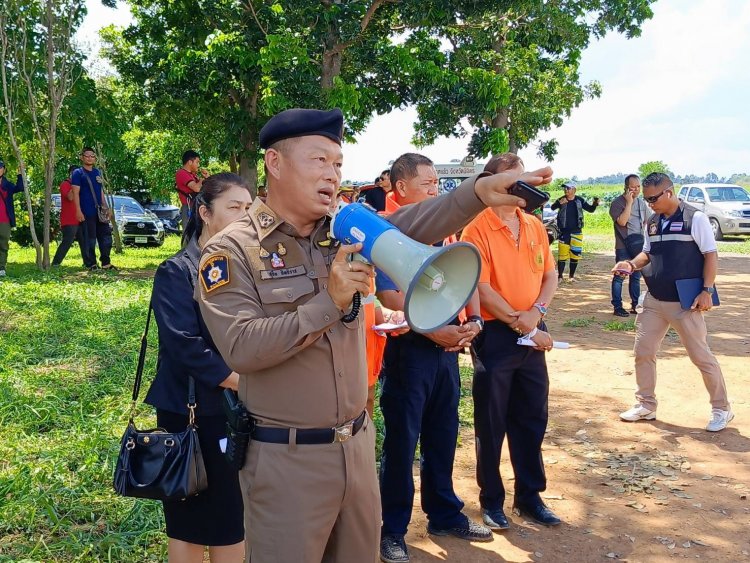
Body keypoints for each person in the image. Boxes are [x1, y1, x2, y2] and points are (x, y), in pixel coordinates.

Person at [195, 107, 553, 563]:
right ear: (275, 163)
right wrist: (331, 302)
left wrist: (477, 193)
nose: (332, 173)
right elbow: (242, 347)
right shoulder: (232, 250)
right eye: (318, 160)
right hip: (286, 461)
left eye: (338, 163)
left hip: (358, 449)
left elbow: (417, 222)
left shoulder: (344, 228)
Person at [377, 153, 491, 563]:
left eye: (437, 184)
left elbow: (465, 278)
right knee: (402, 442)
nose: (435, 192)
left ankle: (443, 513)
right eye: (427, 184)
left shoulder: (443, 232)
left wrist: (473, 320)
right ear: (400, 187)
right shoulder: (386, 234)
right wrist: (432, 329)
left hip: (447, 351)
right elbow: (388, 298)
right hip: (409, 351)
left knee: (443, 435)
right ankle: (391, 530)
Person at [146, 173, 252, 563]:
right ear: (205, 213)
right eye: (234, 208)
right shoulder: (177, 271)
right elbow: (184, 346)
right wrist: (243, 382)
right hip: (189, 412)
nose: (245, 216)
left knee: (231, 514)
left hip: (237, 410)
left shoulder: (246, 268)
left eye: (249, 208)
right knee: (187, 514)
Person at [461, 152, 560, 534]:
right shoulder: (477, 228)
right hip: (497, 334)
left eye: (524, 180)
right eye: (514, 181)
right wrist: (521, 324)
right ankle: (492, 502)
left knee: (532, 416)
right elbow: (481, 288)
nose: (522, 187)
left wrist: (535, 313)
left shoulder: (533, 225)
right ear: (494, 184)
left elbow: (549, 275)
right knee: (491, 420)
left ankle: (530, 497)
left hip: (532, 326)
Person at [614, 172, 733, 432]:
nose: (649, 203)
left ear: (669, 192)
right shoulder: (653, 222)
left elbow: (711, 256)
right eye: (645, 199)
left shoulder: (696, 218)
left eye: (653, 198)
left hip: (685, 302)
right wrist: (630, 264)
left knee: (701, 356)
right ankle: (646, 404)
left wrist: (707, 290)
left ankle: (721, 408)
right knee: (643, 352)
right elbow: (647, 253)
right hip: (655, 299)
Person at [609, 174, 649, 316]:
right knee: (620, 276)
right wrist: (629, 202)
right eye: (633, 187)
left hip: (637, 245)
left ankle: (635, 304)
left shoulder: (642, 203)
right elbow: (622, 222)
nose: (636, 190)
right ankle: (617, 306)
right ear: (626, 187)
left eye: (638, 187)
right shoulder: (617, 203)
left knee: (636, 277)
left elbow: (647, 221)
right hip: (623, 246)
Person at [71, 147, 114, 271]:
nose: (90, 158)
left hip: (99, 212)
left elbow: (100, 192)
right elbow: (75, 192)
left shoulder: (97, 172)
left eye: (92, 156)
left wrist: (106, 207)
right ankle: (91, 264)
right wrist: (78, 210)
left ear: (95, 158)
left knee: (105, 236)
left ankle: (106, 263)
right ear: (82, 157)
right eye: (87, 156)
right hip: (86, 211)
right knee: (89, 239)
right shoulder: (78, 173)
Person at [551, 182, 599, 282]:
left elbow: (590, 210)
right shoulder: (561, 199)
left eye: (568, 188)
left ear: (574, 190)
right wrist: (559, 203)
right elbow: (552, 208)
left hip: (577, 231)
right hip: (564, 232)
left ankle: (571, 277)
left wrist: (595, 204)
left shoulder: (579, 200)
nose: (566, 190)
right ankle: (560, 276)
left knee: (575, 255)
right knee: (562, 255)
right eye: (565, 188)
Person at [52, 165, 86, 267]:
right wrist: (74, 185)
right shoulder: (65, 184)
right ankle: (56, 263)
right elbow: (70, 197)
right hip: (69, 219)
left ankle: (88, 263)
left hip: (81, 218)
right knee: (67, 241)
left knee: (84, 241)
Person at [0, 159, 25, 277]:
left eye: (0, 167)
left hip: (4, 220)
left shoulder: (7, 184)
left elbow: (20, 188)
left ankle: (1, 267)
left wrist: (20, 173)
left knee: (3, 244)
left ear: (4, 170)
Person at [176, 150, 209, 231]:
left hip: (196, 206)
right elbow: (197, 188)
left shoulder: (193, 175)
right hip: (188, 208)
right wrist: (202, 180)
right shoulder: (181, 173)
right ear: (190, 162)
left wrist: (207, 177)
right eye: (197, 162)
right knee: (189, 234)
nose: (198, 165)